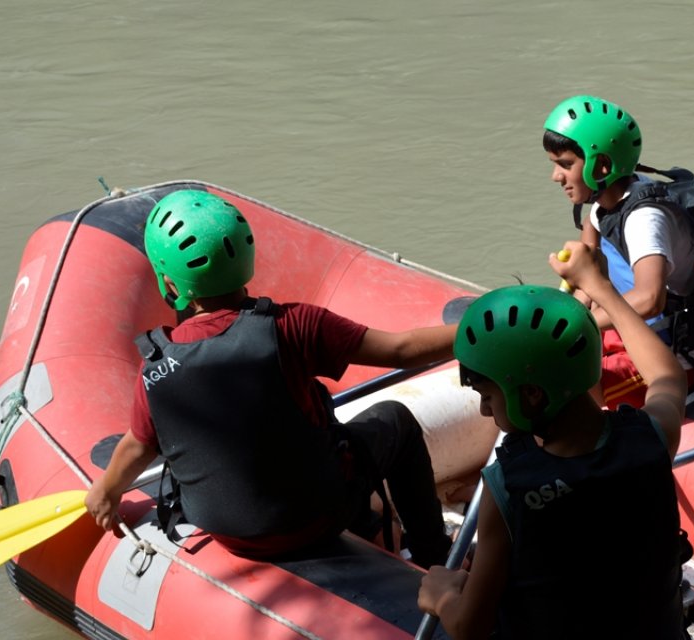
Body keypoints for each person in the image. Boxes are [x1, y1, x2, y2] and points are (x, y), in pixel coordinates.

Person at [84, 189, 454, 567]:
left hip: (235, 536)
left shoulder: (156, 366)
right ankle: (434, 557)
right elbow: (401, 350)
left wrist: (107, 491)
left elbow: (136, 447)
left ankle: (372, 527)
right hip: (318, 516)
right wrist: (476, 334)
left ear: (172, 284)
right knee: (396, 420)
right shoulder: (293, 325)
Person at [417, 241, 689, 639]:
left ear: (531, 395)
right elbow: (668, 377)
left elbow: (469, 627)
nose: (482, 411)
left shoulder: (506, 489)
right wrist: (600, 287)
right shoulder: (651, 438)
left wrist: (442, 596)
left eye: (487, 396)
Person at [543, 94, 694, 408]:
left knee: (558, 386)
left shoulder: (645, 218)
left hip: (665, 355)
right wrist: (567, 321)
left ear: (601, 165)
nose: (556, 176)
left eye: (565, 164)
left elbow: (649, 299)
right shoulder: (602, 208)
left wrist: (580, 325)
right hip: (622, 330)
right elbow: (587, 278)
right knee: (538, 356)